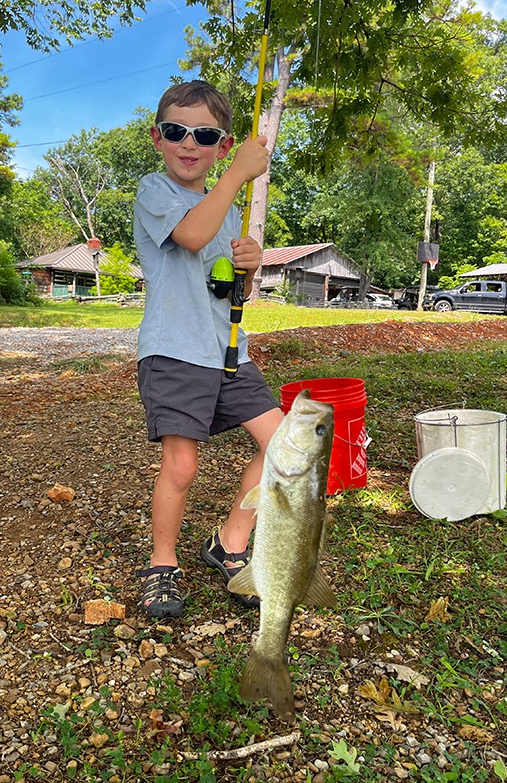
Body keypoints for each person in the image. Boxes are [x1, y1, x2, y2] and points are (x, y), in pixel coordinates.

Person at [133, 79, 284, 619]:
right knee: (181, 466)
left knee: (284, 446)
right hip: (174, 351)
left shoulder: (221, 211)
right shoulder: (155, 191)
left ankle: (230, 541)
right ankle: (161, 564)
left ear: (221, 143)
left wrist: (247, 267)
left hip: (229, 353)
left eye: (204, 135)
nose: (188, 143)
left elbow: (222, 286)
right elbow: (193, 237)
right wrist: (238, 174)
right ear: (158, 137)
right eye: (176, 131)